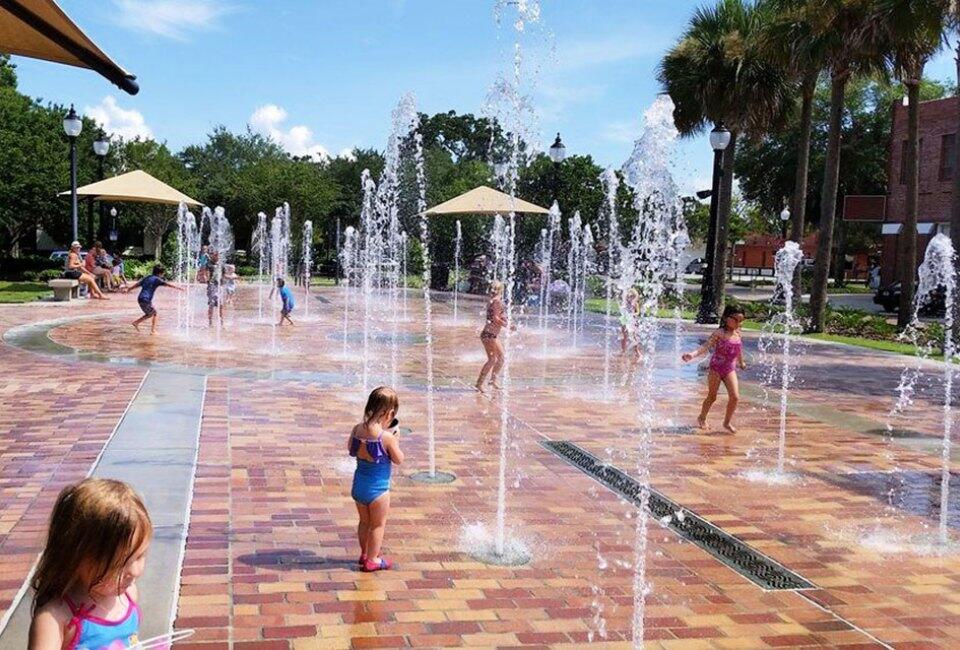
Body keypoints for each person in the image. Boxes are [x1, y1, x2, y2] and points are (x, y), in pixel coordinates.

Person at [28, 478, 152, 650]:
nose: (135, 571)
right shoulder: (57, 618)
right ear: (76, 557)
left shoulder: (129, 595)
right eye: (119, 564)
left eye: (139, 557)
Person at [349, 386, 403, 572]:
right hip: (378, 491)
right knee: (378, 525)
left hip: (359, 487)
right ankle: (373, 560)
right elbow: (398, 459)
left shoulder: (357, 430)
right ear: (389, 413)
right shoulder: (386, 437)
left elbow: (351, 450)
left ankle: (364, 554)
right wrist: (396, 440)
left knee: (364, 522)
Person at [682, 304, 747, 433]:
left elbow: (739, 349)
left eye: (741, 320)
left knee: (735, 397)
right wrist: (692, 355)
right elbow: (706, 346)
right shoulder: (719, 333)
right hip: (716, 369)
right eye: (735, 320)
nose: (738, 323)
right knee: (712, 397)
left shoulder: (738, 334)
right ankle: (702, 417)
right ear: (726, 318)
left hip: (730, 369)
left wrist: (741, 362)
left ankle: (727, 422)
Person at [125, 264, 182, 334]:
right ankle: (153, 331)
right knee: (155, 313)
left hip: (141, 298)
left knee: (150, 314)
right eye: (163, 273)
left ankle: (136, 322)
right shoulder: (157, 279)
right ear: (160, 273)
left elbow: (137, 284)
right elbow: (168, 285)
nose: (163, 275)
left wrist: (129, 289)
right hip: (146, 299)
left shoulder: (147, 277)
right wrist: (179, 288)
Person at [475, 281, 508, 392]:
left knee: (501, 358)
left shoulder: (491, 301)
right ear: (501, 290)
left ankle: (493, 380)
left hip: (490, 334)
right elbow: (495, 319)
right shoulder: (497, 302)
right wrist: (507, 325)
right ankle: (479, 383)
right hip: (490, 335)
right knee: (492, 360)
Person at [619, 287, 641, 358]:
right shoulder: (625, 304)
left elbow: (638, 312)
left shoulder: (635, 304)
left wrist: (634, 314)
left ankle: (636, 351)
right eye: (629, 296)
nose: (630, 298)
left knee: (633, 336)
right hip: (625, 320)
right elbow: (622, 310)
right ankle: (623, 350)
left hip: (632, 321)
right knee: (623, 336)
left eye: (632, 297)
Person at [206, 252, 224, 328]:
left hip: (219, 286)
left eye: (217, 255)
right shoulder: (209, 264)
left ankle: (222, 323)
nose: (216, 257)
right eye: (215, 255)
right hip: (212, 285)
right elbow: (206, 273)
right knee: (211, 304)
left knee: (221, 304)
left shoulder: (221, 265)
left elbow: (223, 274)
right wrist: (208, 281)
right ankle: (210, 322)